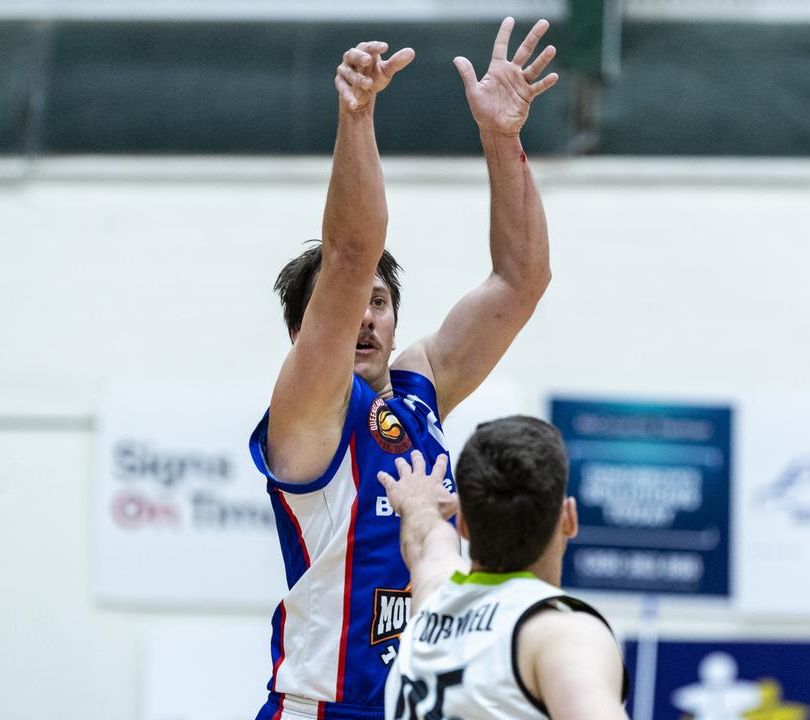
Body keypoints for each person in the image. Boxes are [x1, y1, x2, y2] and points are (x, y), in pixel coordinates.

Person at [247, 17, 560, 720]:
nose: (365, 315)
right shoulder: (309, 408)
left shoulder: (419, 386)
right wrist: (356, 115)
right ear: (304, 333)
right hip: (324, 708)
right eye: (350, 304)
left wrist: (503, 139)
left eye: (380, 303)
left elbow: (520, 280)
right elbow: (352, 254)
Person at [377, 417, 629, 720]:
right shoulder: (561, 635)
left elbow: (424, 537)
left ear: (464, 526)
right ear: (569, 519)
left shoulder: (433, 598)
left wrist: (417, 502)